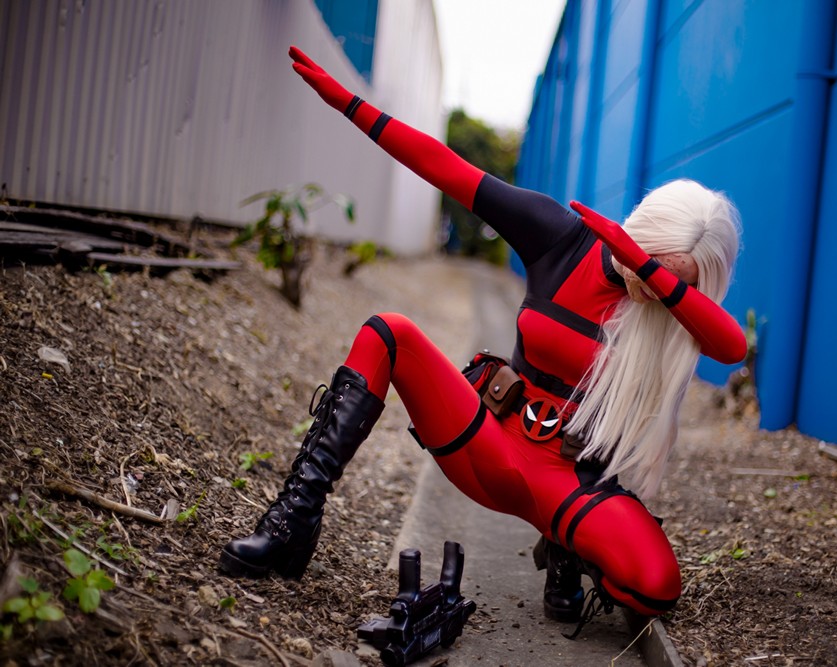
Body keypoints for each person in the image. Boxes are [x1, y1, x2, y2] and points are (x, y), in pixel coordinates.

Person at [219, 46, 747, 627]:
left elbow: (730, 348)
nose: (657, 288)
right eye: (655, 265)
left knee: (655, 587)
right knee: (387, 332)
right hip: (489, 441)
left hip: (569, 482)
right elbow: (446, 167)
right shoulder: (562, 239)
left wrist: (650, 271)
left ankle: (569, 552)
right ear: (642, 230)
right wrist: (350, 105)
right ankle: (293, 521)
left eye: (679, 283)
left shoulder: (673, 311)